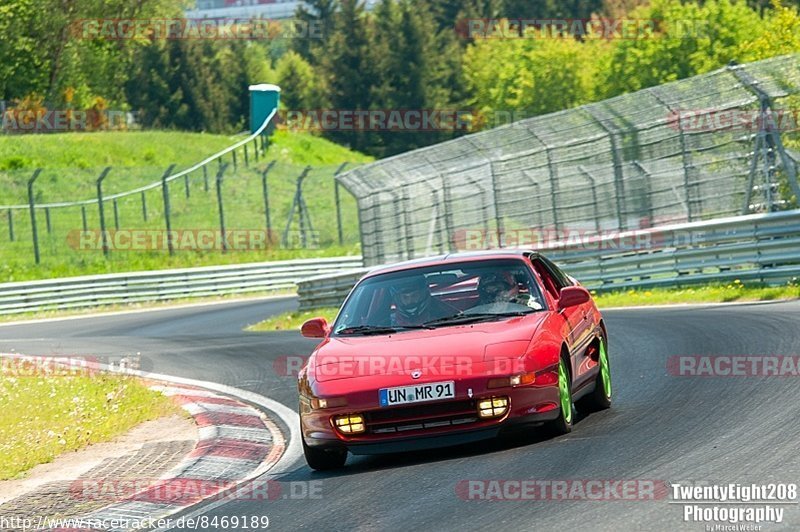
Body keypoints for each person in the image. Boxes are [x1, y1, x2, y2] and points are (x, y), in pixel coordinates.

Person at [390, 275, 457, 326]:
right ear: (398, 299)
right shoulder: (388, 323)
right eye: (405, 297)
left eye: (414, 296)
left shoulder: (446, 313)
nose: (410, 301)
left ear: (424, 294)